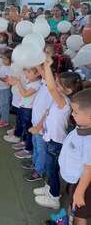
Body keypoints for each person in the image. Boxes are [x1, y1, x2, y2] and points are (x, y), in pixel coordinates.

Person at [34, 57, 83, 209]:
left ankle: (54, 197)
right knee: (51, 169)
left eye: (58, 85)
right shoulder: (60, 100)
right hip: (51, 139)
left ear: (67, 90)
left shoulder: (64, 103)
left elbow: (50, 88)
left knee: (52, 170)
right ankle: (50, 188)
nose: (55, 85)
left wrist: (48, 66)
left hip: (55, 143)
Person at [59, 88, 91, 225]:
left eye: (76, 112)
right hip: (75, 181)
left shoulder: (89, 141)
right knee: (73, 208)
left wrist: (79, 192)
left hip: (83, 184)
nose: (72, 114)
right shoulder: (83, 126)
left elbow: (89, 169)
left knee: (79, 214)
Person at [0, 49, 12, 128]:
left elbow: (7, 80)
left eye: (5, 59)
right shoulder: (4, 66)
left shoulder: (9, 68)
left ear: (10, 60)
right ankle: (1, 114)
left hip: (5, 89)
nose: (3, 60)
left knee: (4, 104)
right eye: (3, 58)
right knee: (0, 103)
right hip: (1, 88)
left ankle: (5, 120)